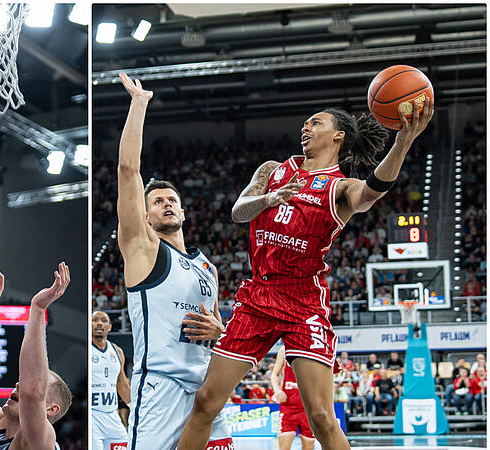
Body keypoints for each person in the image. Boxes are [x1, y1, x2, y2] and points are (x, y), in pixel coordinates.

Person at [179, 93, 433, 450]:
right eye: (305, 123)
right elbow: (239, 212)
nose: (306, 127)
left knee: (322, 418)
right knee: (206, 400)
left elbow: (373, 190)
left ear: (338, 135)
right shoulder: (271, 170)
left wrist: (403, 141)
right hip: (258, 295)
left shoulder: (339, 188)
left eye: (316, 122)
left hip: (304, 303)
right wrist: (269, 198)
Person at [117, 73, 232, 449]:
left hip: (206, 390)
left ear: (183, 210)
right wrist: (139, 104)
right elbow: (128, 171)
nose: (167, 203)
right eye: (157, 201)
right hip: (161, 389)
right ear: (145, 216)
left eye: (172, 199)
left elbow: (219, 330)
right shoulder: (144, 250)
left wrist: (221, 333)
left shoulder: (208, 267)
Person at [0, 262, 73, 449]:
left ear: (50, 409)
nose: (19, 383)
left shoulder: (40, 441)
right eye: (21, 380)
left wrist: (37, 308)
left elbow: (31, 392)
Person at [91, 311, 131, 450]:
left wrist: (135, 408)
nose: (99, 323)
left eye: (104, 320)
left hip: (111, 413)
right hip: (92, 414)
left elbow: (123, 385)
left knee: (125, 444)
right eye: (95, 320)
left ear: (109, 327)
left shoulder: (117, 351)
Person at [271, 346, 316, 450]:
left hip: (308, 408)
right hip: (288, 407)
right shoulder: (284, 349)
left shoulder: (313, 349)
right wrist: (277, 390)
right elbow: (274, 374)